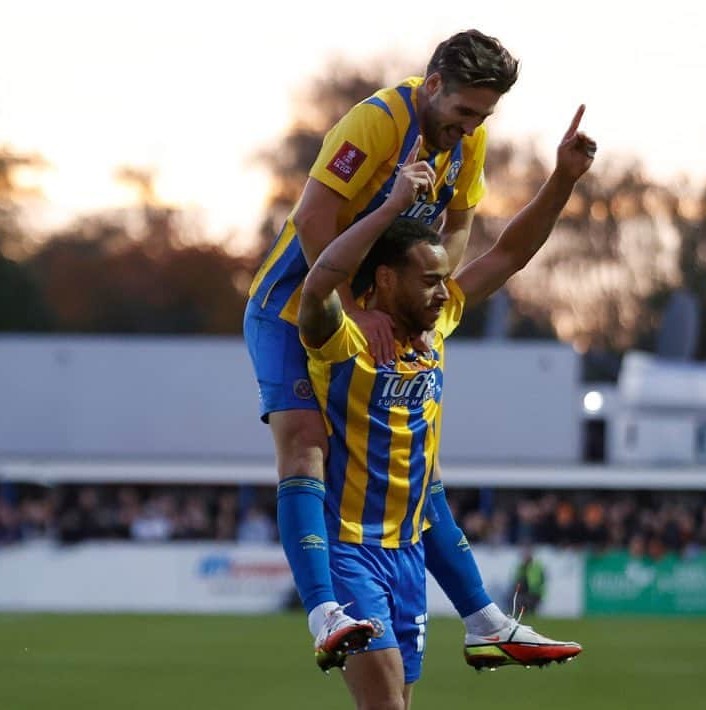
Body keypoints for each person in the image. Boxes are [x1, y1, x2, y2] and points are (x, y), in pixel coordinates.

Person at [244, 29, 574, 670]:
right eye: (463, 112)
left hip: (378, 306)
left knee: (419, 472)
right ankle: (324, 613)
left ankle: (485, 621)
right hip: (294, 309)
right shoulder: (374, 124)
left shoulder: (467, 142)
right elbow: (313, 222)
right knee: (306, 448)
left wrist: (425, 299)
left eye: (483, 115)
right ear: (432, 88)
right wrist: (358, 306)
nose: (471, 127)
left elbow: (458, 235)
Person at [297, 109, 594, 707]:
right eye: (429, 279)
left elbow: (510, 253)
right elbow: (318, 283)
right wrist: (386, 210)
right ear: (382, 279)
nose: (443, 290)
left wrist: (562, 180)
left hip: (410, 554)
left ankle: (484, 624)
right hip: (349, 551)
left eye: (444, 280)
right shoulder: (342, 338)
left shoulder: (439, 326)